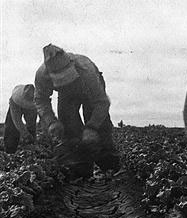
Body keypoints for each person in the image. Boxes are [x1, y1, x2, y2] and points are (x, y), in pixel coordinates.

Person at [34, 44, 120, 178]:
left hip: (89, 89)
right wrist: (51, 121)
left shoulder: (86, 69)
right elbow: (40, 100)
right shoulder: (42, 75)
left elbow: (101, 102)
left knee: (100, 127)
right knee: (68, 127)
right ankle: (80, 170)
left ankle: (110, 167)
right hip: (66, 94)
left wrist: (92, 127)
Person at [3, 84, 37, 153]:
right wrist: (25, 135)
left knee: (31, 127)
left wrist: (30, 136)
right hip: (15, 104)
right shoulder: (15, 99)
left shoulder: (35, 101)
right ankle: (10, 150)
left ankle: (31, 149)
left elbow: (32, 122)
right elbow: (17, 120)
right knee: (11, 127)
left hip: (31, 107)